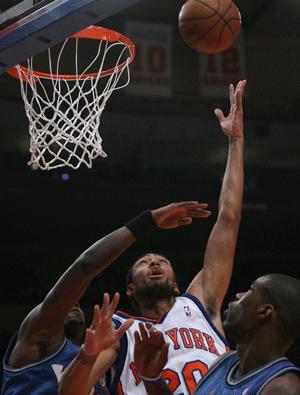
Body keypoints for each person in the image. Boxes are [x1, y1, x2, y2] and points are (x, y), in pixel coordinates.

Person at [58, 79, 247, 395]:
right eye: (145, 263)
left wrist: (236, 141)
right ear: (130, 287)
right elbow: (69, 393)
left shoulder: (200, 303)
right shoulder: (121, 330)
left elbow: (228, 219)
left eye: (161, 261)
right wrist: (88, 356)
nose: (154, 263)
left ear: (175, 282)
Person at [1, 201, 210, 395]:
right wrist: (149, 220)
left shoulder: (106, 363)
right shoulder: (38, 335)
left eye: (78, 302)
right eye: (67, 301)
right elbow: (85, 267)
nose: (74, 302)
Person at [133, 274, 300, 395]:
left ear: (264, 312)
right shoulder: (223, 364)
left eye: (250, 291)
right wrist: (152, 378)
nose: (238, 295)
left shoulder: (283, 387)